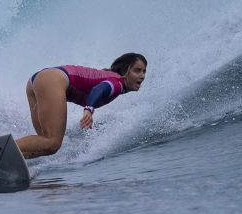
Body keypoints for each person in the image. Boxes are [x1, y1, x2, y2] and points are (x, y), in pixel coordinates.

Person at [16, 53, 147, 159]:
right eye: (137, 71)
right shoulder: (117, 84)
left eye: (144, 71)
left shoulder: (111, 78)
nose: (142, 76)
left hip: (40, 79)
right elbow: (99, 89)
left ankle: (5, 159)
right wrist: (89, 109)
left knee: (45, 146)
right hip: (53, 80)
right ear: (125, 71)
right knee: (52, 142)